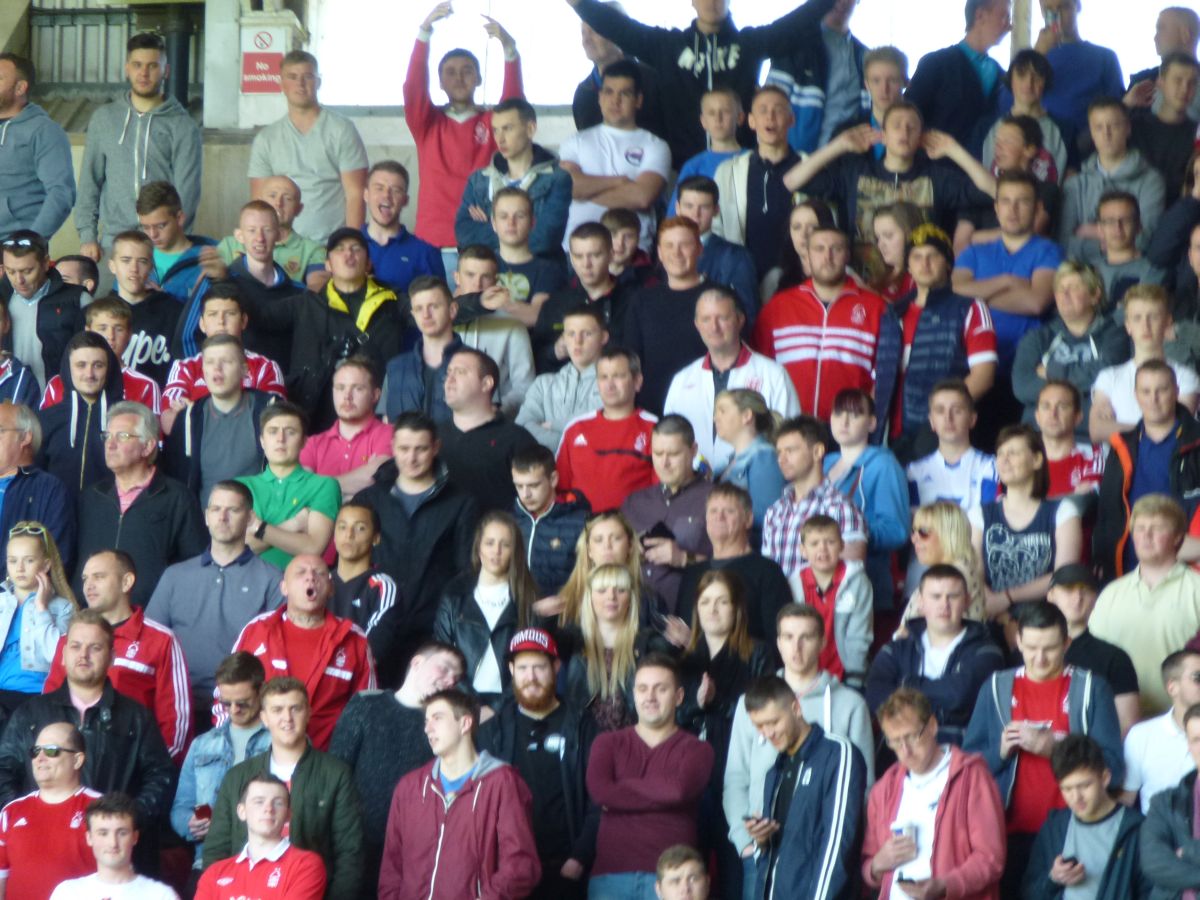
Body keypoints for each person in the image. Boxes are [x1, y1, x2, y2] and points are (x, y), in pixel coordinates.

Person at [963, 601, 1124, 894]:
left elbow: (1113, 766)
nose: (1040, 658)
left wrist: (1057, 747)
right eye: (1032, 647)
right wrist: (999, 752)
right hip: (1007, 828)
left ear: (1067, 643)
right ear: (1018, 641)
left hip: (1072, 827)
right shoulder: (997, 687)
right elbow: (969, 765)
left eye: (1050, 648)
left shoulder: (1090, 687)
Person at [563, 0, 840, 167]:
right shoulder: (667, 47)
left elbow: (795, 24)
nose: (713, 1)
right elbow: (618, 27)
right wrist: (580, 5)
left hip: (743, 164)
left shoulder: (749, 45)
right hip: (686, 169)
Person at [724, 605, 874, 890]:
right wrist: (744, 841)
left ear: (822, 642)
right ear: (777, 642)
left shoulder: (851, 704)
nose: (797, 646)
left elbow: (864, 789)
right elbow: (735, 778)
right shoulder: (750, 704)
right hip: (760, 852)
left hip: (820, 855)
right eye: (788, 637)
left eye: (806, 637)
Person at [0, 611, 175, 844]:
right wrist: (22, 816)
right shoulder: (30, 713)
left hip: (110, 850)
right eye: (75, 646)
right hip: (39, 840)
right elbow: (3, 770)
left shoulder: (137, 717)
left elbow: (161, 776)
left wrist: (127, 819)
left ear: (112, 657)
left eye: (95, 648)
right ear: (62, 655)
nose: (83, 655)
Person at [201, 676, 363, 900]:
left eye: (295, 708)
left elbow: (350, 855)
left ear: (308, 713)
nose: (287, 718)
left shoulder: (336, 774)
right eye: (277, 710)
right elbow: (216, 851)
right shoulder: (237, 777)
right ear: (264, 717)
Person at [780, 104, 996, 263]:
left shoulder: (938, 178)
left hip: (918, 281)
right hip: (860, 282)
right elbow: (791, 181)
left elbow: (996, 192)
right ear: (883, 135)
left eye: (911, 127)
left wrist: (954, 150)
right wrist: (838, 145)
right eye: (896, 126)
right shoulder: (855, 173)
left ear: (921, 137)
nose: (904, 132)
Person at [329, 642, 464, 896]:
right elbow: (337, 772)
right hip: (353, 846)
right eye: (444, 669)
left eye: (455, 679)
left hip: (412, 855)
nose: (449, 681)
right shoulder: (367, 704)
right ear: (417, 662)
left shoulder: (446, 728)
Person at [379, 687, 541, 899]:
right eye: (426, 720)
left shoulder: (503, 782)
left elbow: (520, 865)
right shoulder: (409, 787)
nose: (428, 728)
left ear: (465, 723)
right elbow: (391, 868)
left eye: (437, 718)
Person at [145, 480, 283, 722]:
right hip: (176, 704)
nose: (223, 517)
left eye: (233, 510)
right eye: (216, 509)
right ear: (206, 516)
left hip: (241, 709)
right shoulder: (174, 575)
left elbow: (277, 653)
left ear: (249, 518)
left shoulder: (272, 578)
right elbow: (150, 642)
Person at [476, 628, 597, 899]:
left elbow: (599, 801)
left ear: (556, 667)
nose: (530, 677)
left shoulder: (582, 726)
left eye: (539, 667)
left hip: (568, 872)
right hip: (508, 874)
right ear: (511, 669)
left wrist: (579, 857)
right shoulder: (491, 733)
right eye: (523, 668)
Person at [241, 226, 404, 426]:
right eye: (340, 249)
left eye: (356, 248)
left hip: (375, 424)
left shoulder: (393, 302)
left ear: (368, 263)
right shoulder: (305, 305)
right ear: (327, 264)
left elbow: (434, 310)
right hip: (314, 424)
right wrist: (226, 276)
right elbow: (254, 317)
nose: (348, 254)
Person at [352, 412, 479, 664]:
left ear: (436, 447)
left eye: (420, 449)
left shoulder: (462, 504)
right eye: (404, 448)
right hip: (375, 625)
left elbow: (466, 572)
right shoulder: (368, 500)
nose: (411, 458)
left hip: (432, 630)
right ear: (393, 448)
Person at [43, 550, 189, 764]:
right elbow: (49, 706)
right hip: (68, 769)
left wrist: (151, 772)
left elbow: (176, 726)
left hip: (135, 772)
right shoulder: (68, 641)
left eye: (99, 577)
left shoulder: (161, 640)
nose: (88, 585)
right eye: (85, 578)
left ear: (127, 582)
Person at [584, 655, 712, 899]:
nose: (650, 697)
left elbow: (679, 791)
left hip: (674, 881)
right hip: (610, 876)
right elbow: (600, 792)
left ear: (679, 697)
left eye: (660, 689)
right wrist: (662, 791)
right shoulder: (607, 743)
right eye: (643, 689)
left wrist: (620, 790)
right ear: (634, 694)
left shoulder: (698, 749)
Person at [677, 571, 771, 898]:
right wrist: (694, 704)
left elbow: (764, 716)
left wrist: (716, 702)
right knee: (688, 876)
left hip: (737, 777)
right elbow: (668, 718)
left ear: (737, 609)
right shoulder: (684, 659)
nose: (713, 609)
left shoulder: (758, 653)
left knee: (735, 877)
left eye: (722, 601)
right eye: (705, 602)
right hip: (691, 780)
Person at [863, 687, 1006, 899]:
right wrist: (876, 865)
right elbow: (868, 862)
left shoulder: (972, 776)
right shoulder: (883, 790)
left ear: (932, 726)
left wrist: (944, 886)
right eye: (895, 742)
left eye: (911, 737)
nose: (905, 750)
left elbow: (990, 858)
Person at [405, 3, 524, 257]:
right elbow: (413, 89)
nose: (459, 78)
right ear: (439, 82)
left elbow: (515, 107)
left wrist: (511, 52)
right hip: (432, 243)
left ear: (479, 78)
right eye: (450, 73)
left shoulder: (493, 122)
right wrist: (424, 32)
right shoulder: (427, 124)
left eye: (467, 71)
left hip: (483, 241)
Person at [74, 32, 201, 261]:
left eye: (153, 66)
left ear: (166, 71)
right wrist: (87, 236)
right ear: (127, 68)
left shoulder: (183, 126)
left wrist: (174, 242)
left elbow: (187, 193)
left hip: (161, 244)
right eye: (137, 65)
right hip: (112, 242)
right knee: (104, 298)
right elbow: (89, 182)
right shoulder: (104, 119)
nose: (144, 73)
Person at [875, 223, 998, 457]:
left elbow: (983, 377)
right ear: (908, 265)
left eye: (933, 256)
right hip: (888, 435)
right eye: (917, 257)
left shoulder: (970, 308)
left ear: (948, 263)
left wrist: (942, 418)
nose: (925, 263)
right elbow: (879, 376)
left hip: (942, 435)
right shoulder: (891, 314)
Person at [743, 674, 866, 900]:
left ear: (796, 708)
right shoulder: (774, 771)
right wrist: (761, 841)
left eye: (773, 722)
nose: (768, 733)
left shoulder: (838, 754)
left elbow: (838, 845)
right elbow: (771, 860)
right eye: (760, 725)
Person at [233, 555, 374, 750]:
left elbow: (367, 711)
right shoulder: (257, 630)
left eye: (319, 573)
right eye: (300, 573)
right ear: (284, 587)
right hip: (260, 761)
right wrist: (237, 749)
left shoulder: (354, 640)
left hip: (328, 765)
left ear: (331, 588)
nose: (310, 578)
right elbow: (227, 693)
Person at [75, 400, 206, 609]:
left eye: (123, 436)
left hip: (152, 621)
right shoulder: (90, 498)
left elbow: (194, 565)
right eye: (107, 436)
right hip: (92, 621)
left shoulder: (177, 497)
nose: (110, 444)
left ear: (147, 446)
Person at [752, 226, 893, 420]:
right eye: (819, 249)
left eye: (836, 249)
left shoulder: (876, 308)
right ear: (807, 256)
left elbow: (886, 375)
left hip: (851, 428)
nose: (828, 256)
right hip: (789, 428)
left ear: (847, 256)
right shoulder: (777, 308)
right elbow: (759, 370)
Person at [867, 564, 1004, 747]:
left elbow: (959, 695)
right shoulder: (898, 647)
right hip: (900, 753)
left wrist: (905, 685)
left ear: (967, 601)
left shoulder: (987, 651)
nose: (944, 605)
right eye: (936, 597)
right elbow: (875, 694)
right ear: (921, 603)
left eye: (953, 596)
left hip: (962, 753)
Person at [664, 286, 798, 471]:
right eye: (706, 319)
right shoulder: (682, 380)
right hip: (693, 487)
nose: (714, 327)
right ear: (697, 324)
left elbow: (791, 441)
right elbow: (668, 440)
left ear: (740, 320)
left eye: (722, 318)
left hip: (754, 486)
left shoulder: (774, 375)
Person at [1090, 493, 1200, 716]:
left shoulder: (1196, 589)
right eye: (1139, 528)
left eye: (1158, 528)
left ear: (1178, 538)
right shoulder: (1110, 594)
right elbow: (1095, 659)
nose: (1146, 535)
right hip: (1118, 721)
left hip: (1183, 724)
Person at [951, 170, 1063, 385]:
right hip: (972, 364)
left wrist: (976, 296)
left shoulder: (1049, 251)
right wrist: (1007, 281)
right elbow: (954, 291)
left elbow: (1036, 302)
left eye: (1022, 202)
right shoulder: (974, 252)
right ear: (996, 207)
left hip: (1023, 367)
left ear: (1038, 208)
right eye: (1005, 201)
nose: (1012, 210)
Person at [1093, 362, 1200, 582]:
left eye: (1162, 390)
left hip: (1186, 567)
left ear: (1177, 392)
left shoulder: (1196, 442)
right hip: (1128, 569)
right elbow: (1108, 510)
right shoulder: (1122, 445)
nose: (1154, 399)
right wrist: (1101, 556)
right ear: (1136, 396)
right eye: (1146, 391)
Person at [248, 50, 366, 243]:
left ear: (318, 82)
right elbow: (258, 204)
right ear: (282, 84)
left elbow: (356, 194)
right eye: (292, 77)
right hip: (280, 249)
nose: (300, 84)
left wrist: (351, 245)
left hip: (329, 247)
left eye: (307, 76)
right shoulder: (266, 139)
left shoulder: (342, 130)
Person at [170, 653, 271, 877]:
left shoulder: (281, 742)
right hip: (208, 861)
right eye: (226, 703)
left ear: (262, 691)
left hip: (266, 862)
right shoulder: (202, 744)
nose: (233, 710)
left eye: (243, 703)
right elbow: (180, 807)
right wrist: (191, 823)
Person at [558, 60, 670, 254]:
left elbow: (642, 197)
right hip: (578, 253)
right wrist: (621, 181)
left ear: (638, 100)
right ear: (600, 97)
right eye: (609, 92)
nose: (615, 100)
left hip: (633, 253)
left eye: (624, 93)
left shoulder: (656, 146)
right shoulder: (575, 142)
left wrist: (585, 192)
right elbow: (569, 187)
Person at [971, 424, 1082, 618]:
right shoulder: (979, 513)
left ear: (1037, 459)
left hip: (1045, 619)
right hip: (990, 615)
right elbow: (973, 571)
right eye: (1000, 454)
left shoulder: (1063, 512)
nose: (1004, 460)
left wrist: (1007, 597)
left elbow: (1063, 575)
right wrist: (999, 611)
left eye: (1013, 453)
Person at [1023, 734, 1149, 899]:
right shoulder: (1055, 827)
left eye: (1084, 786)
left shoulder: (1137, 830)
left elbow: (1152, 892)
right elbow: (1028, 893)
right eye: (1067, 789)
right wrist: (1052, 880)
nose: (1076, 797)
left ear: (1105, 778)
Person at [434, 511, 537, 706]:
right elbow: (442, 654)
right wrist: (471, 704)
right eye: (489, 543)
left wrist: (498, 708)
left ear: (515, 551)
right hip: (460, 701)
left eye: (505, 545)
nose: (496, 551)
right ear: (479, 547)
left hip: (512, 706)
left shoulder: (528, 599)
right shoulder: (454, 594)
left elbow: (533, 661)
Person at [1013, 262, 1130, 433]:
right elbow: (1022, 387)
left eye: (1074, 287)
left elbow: (1108, 375)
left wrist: (1052, 371)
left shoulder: (1115, 335)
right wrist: (1083, 387)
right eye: (1060, 289)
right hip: (1038, 437)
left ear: (1095, 295)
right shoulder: (1037, 338)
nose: (1064, 294)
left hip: (1091, 436)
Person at [824, 388, 910, 609]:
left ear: (872, 423)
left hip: (867, 583)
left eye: (854, 415)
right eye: (838, 413)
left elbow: (896, 530)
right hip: (823, 581)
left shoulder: (884, 464)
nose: (844, 421)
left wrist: (849, 536)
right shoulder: (823, 462)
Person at [161, 334, 273, 503]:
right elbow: (176, 483)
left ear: (244, 370)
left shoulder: (269, 409)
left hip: (258, 522)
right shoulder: (189, 418)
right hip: (205, 524)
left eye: (226, 362)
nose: (217, 369)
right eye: (210, 362)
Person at [456, 98, 573, 259]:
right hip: (490, 275)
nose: (500, 139)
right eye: (496, 130)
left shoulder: (558, 179)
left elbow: (545, 239)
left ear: (530, 129)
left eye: (507, 128)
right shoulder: (479, 179)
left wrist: (490, 225)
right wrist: (520, 233)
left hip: (539, 274)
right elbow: (464, 233)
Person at [676, 484, 793, 644]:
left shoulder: (768, 572)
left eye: (729, 511)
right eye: (713, 511)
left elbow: (779, 641)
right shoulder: (692, 574)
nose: (719, 517)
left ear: (748, 519)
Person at [622, 416, 713, 614]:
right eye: (657, 453)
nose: (664, 463)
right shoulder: (634, 502)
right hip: (630, 616)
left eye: (673, 454)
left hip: (689, 619)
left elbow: (736, 567)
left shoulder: (716, 499)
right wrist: (627, 552)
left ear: (693, 450)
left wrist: (683, 558)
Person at [0, 722, 99, 899]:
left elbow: (118, 882)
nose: (40, 758)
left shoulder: (102, 808)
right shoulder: (10, 812)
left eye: (52, 750)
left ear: (77, 760)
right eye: (35, 751)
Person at [709, 86, 799, 280]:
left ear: (792, 119)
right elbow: (716, 226)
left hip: (798, 277)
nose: (770, 117)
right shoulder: (729, 171)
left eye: (778, 110)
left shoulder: (808, 166)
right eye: (763, 110)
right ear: (751, 121)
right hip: (745, 278)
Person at [622, 217, 710, 415]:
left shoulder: (720, 299)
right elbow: (631, 360)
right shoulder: (641, 301)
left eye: (685, 245)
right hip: (653, 413)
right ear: (659, 253)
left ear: (699, 249)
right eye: (669, 246)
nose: (676, 253)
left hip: (709, 410)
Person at [1059, 98, 1166, 259]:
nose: (1106, 134)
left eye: (1114, 126)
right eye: (1099, 128)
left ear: (1127, 129)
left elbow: (1146, 240)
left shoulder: (1151, 181)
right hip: (1080, 275)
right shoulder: (1075, 184)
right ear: (1092, 133)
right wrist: (1118, 239)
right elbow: (1063, 242)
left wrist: (1091, 231)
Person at [762, 415, 867, 578]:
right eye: (779, 453)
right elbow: (767, 573)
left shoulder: (840, 507)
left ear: (818, 451)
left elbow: (850, 577)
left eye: (790, 451)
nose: (781, 459)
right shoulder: (775, 511)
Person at [238, 402, 340, 571]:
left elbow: (313, 548)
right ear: (262, 441)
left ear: (303, 442)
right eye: (272, 431)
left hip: (300, 588)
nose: (280, 439)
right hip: (246, 586)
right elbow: (235, 549)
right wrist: (293, 524)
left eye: (290, 432)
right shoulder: (241, 486)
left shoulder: (324, 485)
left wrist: (257, 530)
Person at [162, 284, 287, 420]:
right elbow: (169, 420)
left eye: (230, 314)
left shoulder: (265, 367)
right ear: (202, 324)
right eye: (213, 314)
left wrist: (193, 412)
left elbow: (274, 419)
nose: (221, 321)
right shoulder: (184, 368)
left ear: (243, 321)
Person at [555, 347, 657, 512]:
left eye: (618, 376)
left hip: (634, 530)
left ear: (637, 382)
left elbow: (661, 492)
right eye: (603, 377)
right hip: (583, 531)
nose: (610, 385)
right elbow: (559, 489)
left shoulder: (654, 428)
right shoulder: (575, 428)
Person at [1090, 288, 1198, 445]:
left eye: (1153, 317)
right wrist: (1156, 428)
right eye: (1137, 318)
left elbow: (1177, 432)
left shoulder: (1186, 376)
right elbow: (1097, 431)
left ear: (1168, 321)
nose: (1145, 325)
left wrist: (1115, 428)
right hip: (1120, 468)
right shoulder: (1109, 377)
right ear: (1128, 325)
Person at [438, 348, 539, 513]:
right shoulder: (432, 436)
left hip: (496, 536)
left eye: (461, 372)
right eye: (448, 372)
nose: (450, 379)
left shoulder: (517, 439)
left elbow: (535, 502)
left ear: (486, 384)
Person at [195, 774, 326, 900]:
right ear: (242, 811)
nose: (268, 808)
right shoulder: (214, 873)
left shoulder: (306, 866)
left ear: (288, 814)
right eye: (259, 802)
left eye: (278, 803)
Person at [1025, 0, 1126, 163]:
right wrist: (1037, 55)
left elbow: (1116, 110)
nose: (1057, 16)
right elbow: (1007, 102)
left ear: (1077, 7)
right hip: (1037, 149)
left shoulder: (1104, 58)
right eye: (1049, 10)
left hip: (1089, 151)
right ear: (1042, 11)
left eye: (1063, 7)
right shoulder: (1030, 59)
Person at [905, 0, 1011, 153]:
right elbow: (910, 116)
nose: (1009, 25)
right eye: (1004, 17)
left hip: (983, 171)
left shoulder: (1002, 75)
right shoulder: (935, 64)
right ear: (980, 15)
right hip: (937, 168)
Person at [1046, 564, 1140, 735]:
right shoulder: (1029, 653)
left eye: (1086, 590)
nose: (1077, 597)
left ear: (1096, 598)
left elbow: (1127, 727)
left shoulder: (1115, 658)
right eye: (1068, 589)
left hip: (1092, 757)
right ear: (1051, 596)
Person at [764, 0, 867, 154]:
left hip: (847, 165)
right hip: (796, 161)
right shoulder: (794, 47)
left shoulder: (865, 57)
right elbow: (768, 106)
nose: (842, 2)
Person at [35, 332, 128, 499]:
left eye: (98, 365)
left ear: (110, 368)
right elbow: (34, 479)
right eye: (81, 365)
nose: (89, 374)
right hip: (57, 518)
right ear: (67, 367)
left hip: (110, 519)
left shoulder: (128, 420)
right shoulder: (45, 421)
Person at [531, 223, 630, 373]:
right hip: (563, 391)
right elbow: (535, 358)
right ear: (570, 257)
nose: (586, 264)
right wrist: (555, 352)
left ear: (611, 255)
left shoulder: (633, 302)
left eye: (595, 255)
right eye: (578, 256)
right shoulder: (555, 303)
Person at [787, 515, 872, 690]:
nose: (823, 549)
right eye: (814, 543)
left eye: (830, 542)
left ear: (842, 545)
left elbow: (859, 635)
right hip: (805, 675)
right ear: (803, 550)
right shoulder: (794, 583)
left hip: (846, 675)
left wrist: (855, 678)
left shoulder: (857, 582)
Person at [136, 181, 221, 350]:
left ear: (180, 218)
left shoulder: (211, 258)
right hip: (143, 354)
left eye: (161, 226)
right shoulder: (134, 257)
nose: (153, 234)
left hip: (191, 353)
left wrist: (166, 301)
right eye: (146, 227)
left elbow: (221, 316)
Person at [221, 201, 304, 373]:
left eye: (267, 230)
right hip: (235, 388)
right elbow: (187, 337)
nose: (260, 238)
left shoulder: (299, 293)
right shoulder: (221, 284)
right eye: (251, 230)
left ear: (279, 235)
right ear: (239, 236)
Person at [0, 520, 75, 709]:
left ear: (46, 564)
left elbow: (57, 655)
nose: (20, 568)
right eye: (13, 560)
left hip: (36, 697)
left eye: (29, 560)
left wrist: (41, 607)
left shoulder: (62, 607)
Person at [49, 792, 179, 900]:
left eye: (122, 833)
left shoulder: (161, 895)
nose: (113, 843)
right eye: (103, 833)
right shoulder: (67, 893)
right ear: (89, 838)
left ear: (135, 837)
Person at [0, 52, 74, 241]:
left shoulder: (44, 131)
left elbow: (61, 193)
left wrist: (30, 242)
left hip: (14, 250)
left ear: (20, 88)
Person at [298, 355, 392, 502]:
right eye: (340, 388)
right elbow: (301, 491)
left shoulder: (388, 433)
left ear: (375, 395)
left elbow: (374, 478)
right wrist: (352, 486)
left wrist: (318, 487)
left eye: (358, 388)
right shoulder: (312, 443)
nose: (347, 396)